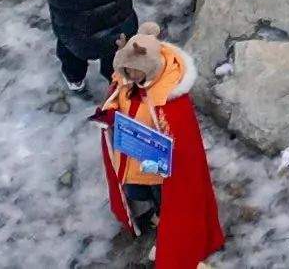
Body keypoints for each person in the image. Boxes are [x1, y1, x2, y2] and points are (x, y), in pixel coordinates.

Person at [95, 27, 226, 267]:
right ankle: (158, 216)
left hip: (158, 169)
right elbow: (116, 100)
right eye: (127, 72)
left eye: (135, 73)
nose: (130, 77)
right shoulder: (125, 80)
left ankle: (170, 230)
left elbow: (180, 138)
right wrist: (110, 115)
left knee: (168, 199)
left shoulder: (170, 98)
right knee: (136, 192)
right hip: (133, 158)